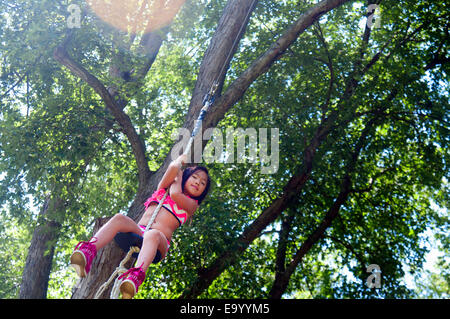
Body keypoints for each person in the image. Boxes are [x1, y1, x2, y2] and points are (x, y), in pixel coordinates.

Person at [69, 154, 211, 298]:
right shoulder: (163, 190)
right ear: (187, 176)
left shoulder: (192, 205)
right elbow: (173, 168)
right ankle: (88, 250)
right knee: (119, 218)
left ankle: (135, 277)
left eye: (203, 183)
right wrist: (180, 162)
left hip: (159, 242)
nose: (198, 182)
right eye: (195, 177)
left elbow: (175, 194)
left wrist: (178, 176)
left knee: (152, 234)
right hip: (140, 231)